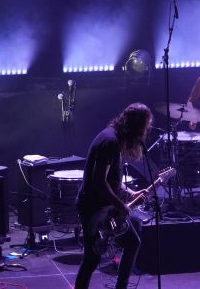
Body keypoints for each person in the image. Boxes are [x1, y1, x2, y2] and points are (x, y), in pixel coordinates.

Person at [75, 103, 153, 289]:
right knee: (91, 259)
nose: (144, 133)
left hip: (105, 206)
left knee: (132, 242)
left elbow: (112, 180)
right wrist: (120, 205)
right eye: (144, 128)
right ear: (136, 127)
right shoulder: (110, 142)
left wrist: (131, 193)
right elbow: (99, 181)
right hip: (93, 209)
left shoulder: (114, 139)